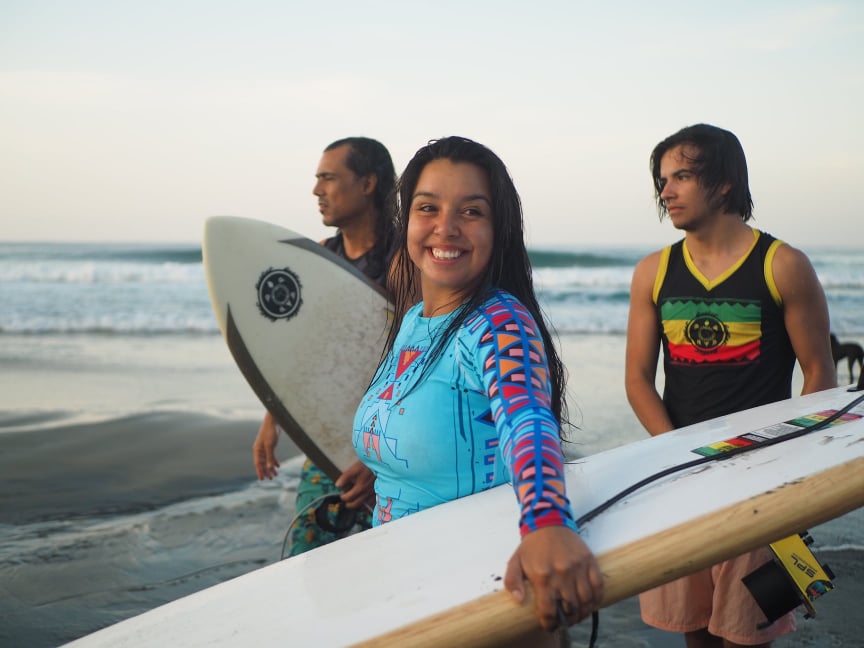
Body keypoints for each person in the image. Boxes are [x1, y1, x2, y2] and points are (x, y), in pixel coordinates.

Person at [351, 136, 604, 634]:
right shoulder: (415, 321)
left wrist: (548, 523)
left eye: (471, 211)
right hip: (402, 590)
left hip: (479, 599)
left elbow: (526, 419)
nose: (446, 227)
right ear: (408, 222)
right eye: (428, 208)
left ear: (498, 230)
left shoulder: (498, 321)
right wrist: (378, 463)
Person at [625, 123, 837, 648]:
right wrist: (679, 451)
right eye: (662, 179)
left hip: (762, 487)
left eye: (682, 176)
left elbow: (820, 373)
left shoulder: (782, 265)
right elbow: (636, 379)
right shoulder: (653, 271)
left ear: (722, 182)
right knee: (692, 630)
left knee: (751, 634)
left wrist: (790, 465)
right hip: (680, 482)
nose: (665, 191)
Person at [253, 136, 397, 556]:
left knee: (391, 566)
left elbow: (417, 360)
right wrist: (272, 419)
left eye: (329, 178)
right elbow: (306, 349)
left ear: (368, 183)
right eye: (318, 179)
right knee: (306, 559)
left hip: (391, 449)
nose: (317, 190)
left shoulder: (403, 261)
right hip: (331, 440)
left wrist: (379, 460)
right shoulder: (320, 258)